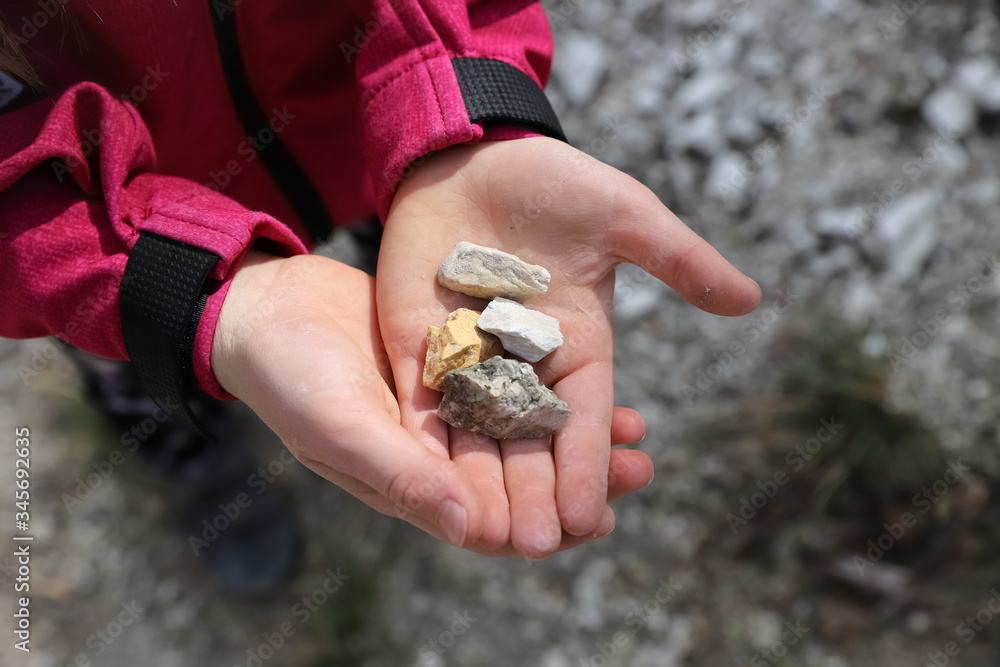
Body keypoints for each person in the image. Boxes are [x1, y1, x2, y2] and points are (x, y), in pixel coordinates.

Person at [0, 0, 761, 577]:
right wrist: (170, 284)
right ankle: (189, 455)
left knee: (402, 246)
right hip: (105, 237)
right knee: (138, 368)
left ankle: (382, 258)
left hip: (371, 125)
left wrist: (453, 87)